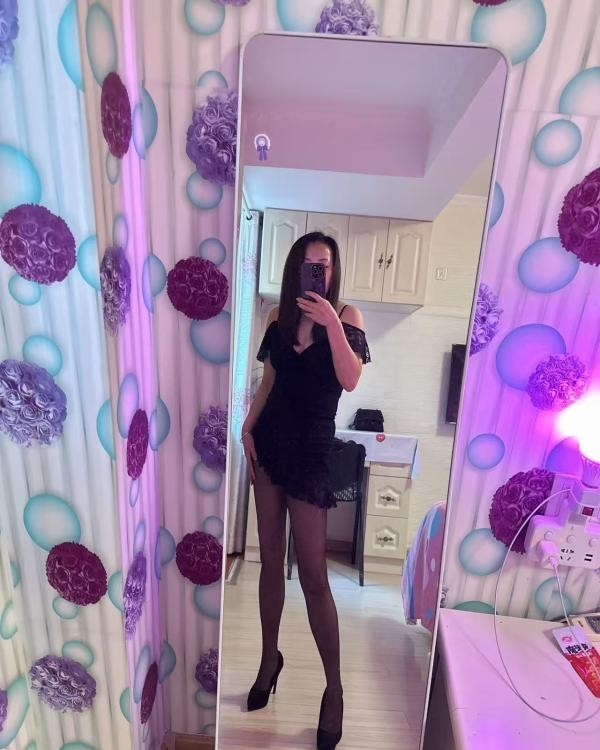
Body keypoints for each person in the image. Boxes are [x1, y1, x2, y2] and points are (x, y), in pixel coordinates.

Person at [240, 231, 370, 750]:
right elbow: (269, 384)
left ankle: (333, 690)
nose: (319, 270)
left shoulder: (349, 317)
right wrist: (247, 427)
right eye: (311, 263)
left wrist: (332, 323)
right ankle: (268, 659)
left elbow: (350, 379)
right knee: (270, 559)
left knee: (315, 575)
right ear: (297, 267)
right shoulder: (277, 318)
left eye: (326, 264)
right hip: (270, 443)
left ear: (333, 272)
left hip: (313, 450)